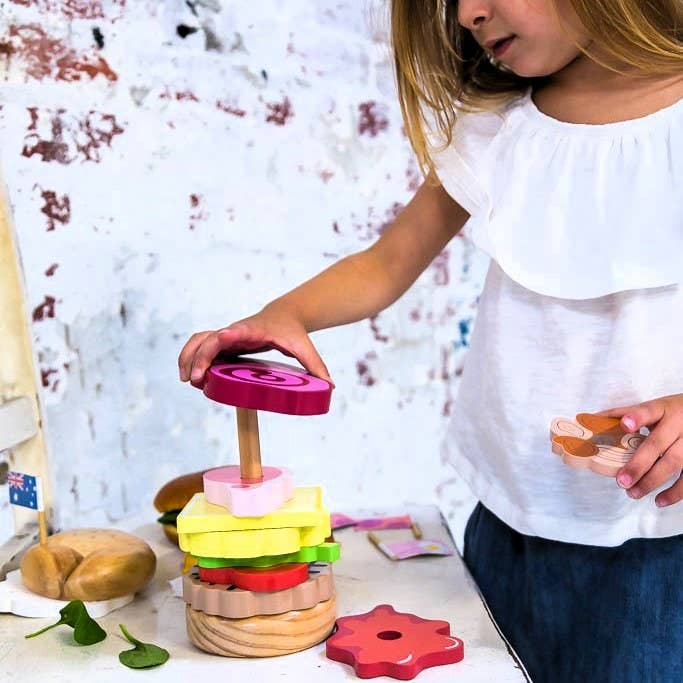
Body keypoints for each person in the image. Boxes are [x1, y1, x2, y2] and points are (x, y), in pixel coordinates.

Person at [178, 2, 683, 680]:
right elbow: (386, 262)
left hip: (660, 540)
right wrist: (284, 312)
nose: (468, 13)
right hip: (508, 524)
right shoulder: (499, 130)